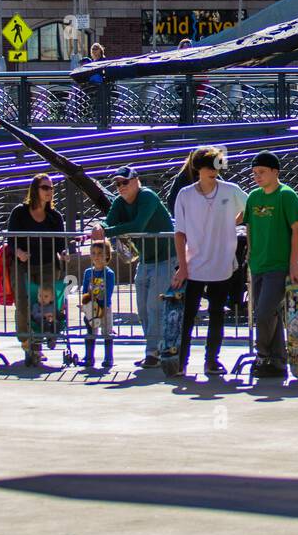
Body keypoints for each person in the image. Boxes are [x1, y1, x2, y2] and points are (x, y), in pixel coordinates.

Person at [172, 148, 248, 376]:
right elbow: (179, 232)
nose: (212, 171)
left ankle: (211, 359)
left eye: (216, 166)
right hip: (194, 265)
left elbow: (250, 206)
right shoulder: (185, 195)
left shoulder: (230, 190)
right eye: (208, 167)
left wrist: (231, 223)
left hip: (222, 264)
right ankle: (180, 361)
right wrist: (182, 267)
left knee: (217, 313)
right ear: (198, 169)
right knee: (188, 316)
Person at [92, 166, 174, 369]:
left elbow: (138, 225)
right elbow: (108, 219)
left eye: (125, 182)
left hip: (166, 259)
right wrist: (100, 226)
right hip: (146, 260)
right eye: (118, 184)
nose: (121, 187)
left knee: (155, 306)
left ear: (137, 181)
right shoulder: (120, 202)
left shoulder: (148, 196)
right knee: (143, 308)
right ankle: (153, 348)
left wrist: (107, 231)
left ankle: (154, 352)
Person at [240, 152, 298, 380]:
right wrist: (251, 253)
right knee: (271, 313)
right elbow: (248, 226)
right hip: (258, 264)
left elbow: (297, 229)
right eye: (255, 173)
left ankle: (263, 354)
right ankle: (277, 362)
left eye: (262, 172)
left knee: (264, 312)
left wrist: (294, 263)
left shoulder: (286, 195)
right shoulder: (253, 197)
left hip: (279, 264)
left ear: (275, 172)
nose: (257, 176)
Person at [7, 175, 68, 367]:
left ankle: (39, 346)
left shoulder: (54, 216)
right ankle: (27, 344)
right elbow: (11, 240)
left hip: (48, 264)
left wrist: (64, 253)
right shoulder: (20, 212)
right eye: (45, 188)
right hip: (23, 265)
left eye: (51, 188)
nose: (49, 191)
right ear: (35, 190)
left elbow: (61, 243)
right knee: (24, 303)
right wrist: (18, 252)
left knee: (44, 305)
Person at [81, 238, 115, 371]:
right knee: (90, 331)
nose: (96, 256)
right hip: (91, 307)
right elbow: (84, 290)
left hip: (104, 307)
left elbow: (109, 291)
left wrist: (103, 305)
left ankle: (108, 357)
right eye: (93, 253)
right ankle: (89, 356)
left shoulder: (109, 273)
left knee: (106, 331)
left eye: (100, 253)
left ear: (107, 255)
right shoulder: (88, 272)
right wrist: (85, 304)